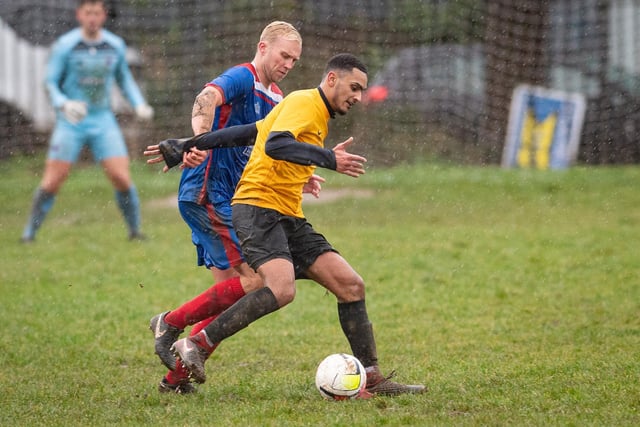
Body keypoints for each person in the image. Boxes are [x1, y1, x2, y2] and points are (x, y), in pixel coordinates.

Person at [170, 53, 426, 397]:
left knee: (351, 285)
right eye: (354, 87)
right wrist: (329, 158)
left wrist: (189, 144)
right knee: (281, 288)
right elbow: (276, 145)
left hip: (287, 215)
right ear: (331, 80)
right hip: (257, 208)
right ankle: (197, 344)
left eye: (362, 91)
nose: (358, 97)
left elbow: (248, 134)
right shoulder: (305, 102)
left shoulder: (311, 111)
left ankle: (372, 376)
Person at [146, 21, 305, 394]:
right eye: (284, 55)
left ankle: (177, 379)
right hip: (209, 193)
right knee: (256, 282)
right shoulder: (242, 77)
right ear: (263, 47)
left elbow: (269, 147)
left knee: (235, 294)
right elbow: (207, 97)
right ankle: (168, 323)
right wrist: (198, 139)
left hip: (225, 198)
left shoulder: (278, 99)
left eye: (295, 60)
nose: (288, 64)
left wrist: (303, 173)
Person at [21, 0, 153, 243]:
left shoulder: (114, 45)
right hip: (71, 121)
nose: (92, 17)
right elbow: (49, 82)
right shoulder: (66, 45)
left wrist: (138, 104)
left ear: (104, 15)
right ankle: (29, 233)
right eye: (88, 12)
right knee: (52, 181)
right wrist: (63, 103)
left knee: (121, 177)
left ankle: (135, 232)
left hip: (102, 119)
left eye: (97, 12)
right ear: (79, 14)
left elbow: (124, 79)